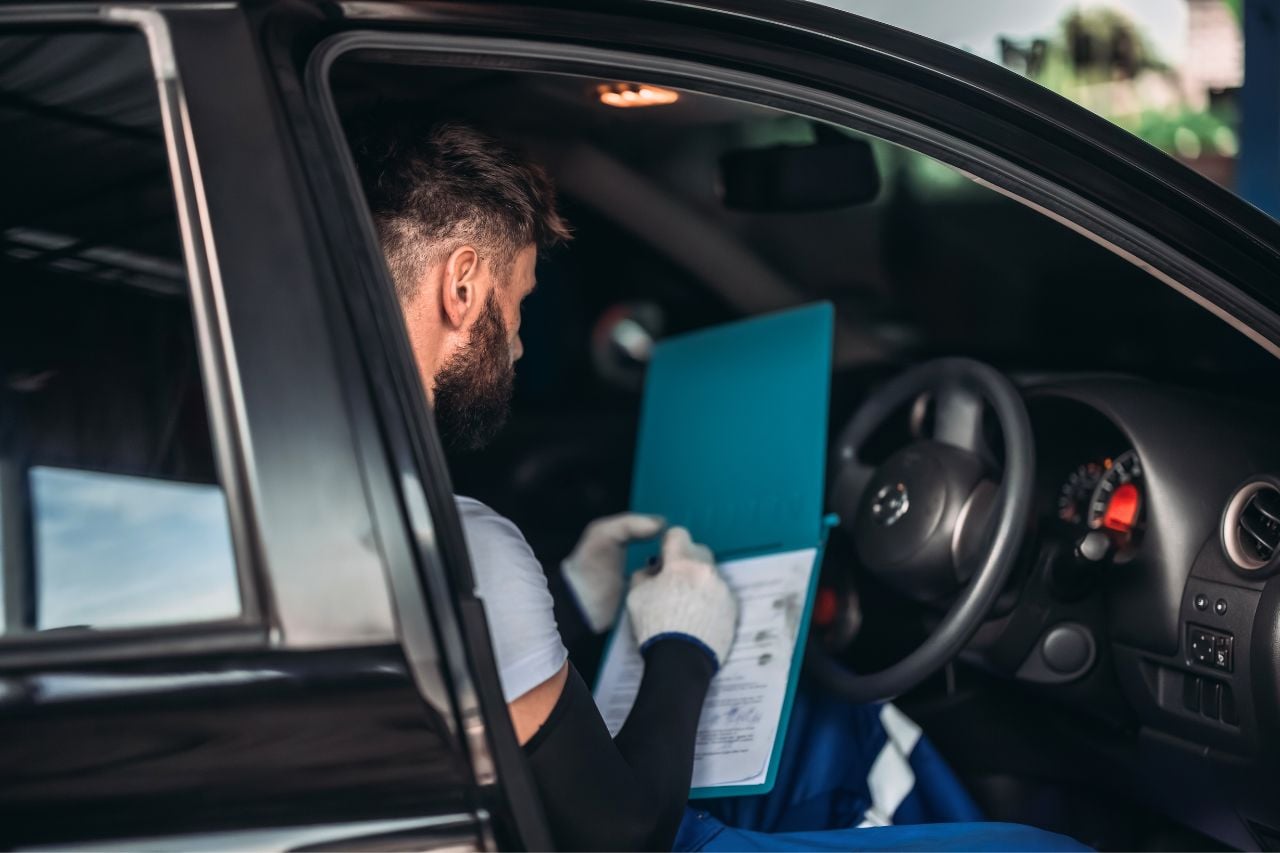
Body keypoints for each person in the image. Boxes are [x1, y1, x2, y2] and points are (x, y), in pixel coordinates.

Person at [351, 117, 1087, 853]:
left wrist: (574, 597)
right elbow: (624, 834)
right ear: (463, 282)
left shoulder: (341, 504)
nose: (516, 341)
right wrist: (683, 642)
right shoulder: (467, 547)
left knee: (819, 726)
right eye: (518, 301)